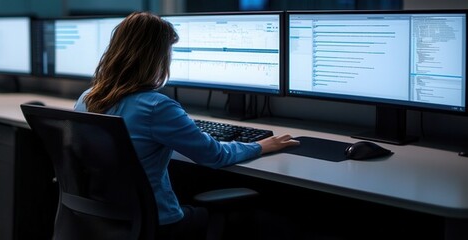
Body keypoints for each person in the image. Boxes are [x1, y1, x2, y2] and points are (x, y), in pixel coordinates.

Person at [73, 12, 300, 240]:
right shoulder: (156, 107)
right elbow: (215, 155)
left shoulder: (86, 99)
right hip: (156, 225)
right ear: (156, 57)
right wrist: (260, 146)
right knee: (268, 220)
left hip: (101, 221)